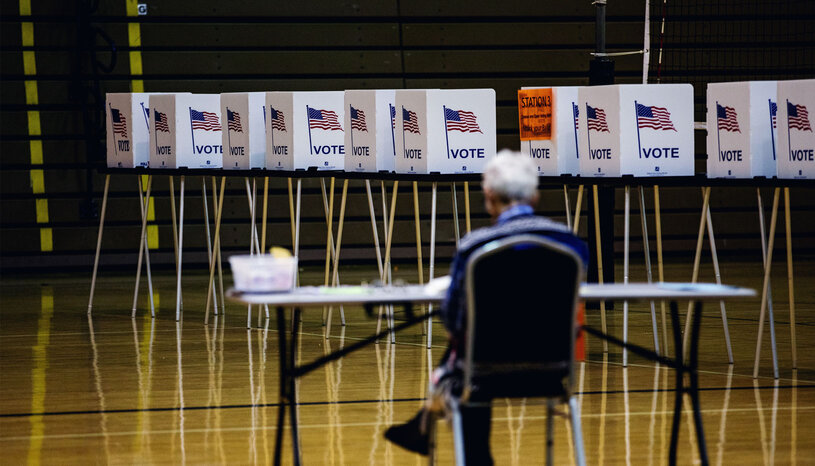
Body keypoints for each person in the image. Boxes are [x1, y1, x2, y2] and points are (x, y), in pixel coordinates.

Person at [384, 150, 589, 465]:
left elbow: (453, 320)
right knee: (469, 360)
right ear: (534, 195)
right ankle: (421, 425)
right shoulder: (571, 245)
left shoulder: (475, 246)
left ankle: (439, 433)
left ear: (489, 196)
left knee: (466, 365)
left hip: (483, 373)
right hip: (553, 370)